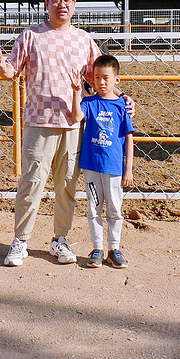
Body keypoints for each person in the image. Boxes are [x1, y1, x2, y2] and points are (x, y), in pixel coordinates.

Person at [0, 0, 123, 267]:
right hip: (39, 121)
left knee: (66, 184)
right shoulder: (31, 36)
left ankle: (59, 239)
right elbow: (12, 69)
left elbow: (101, 78)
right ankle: (20, 240)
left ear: (74, 5)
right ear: (47, 3)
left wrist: (123, 99)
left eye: (68, 0)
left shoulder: (84, 40)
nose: (62, 4)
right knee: (32, 181)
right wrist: (2, 69)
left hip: (73, 125)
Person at [71, 53, 134, 269]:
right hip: (92, 165)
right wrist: (74, 91)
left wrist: (129, 169)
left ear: (116, 80)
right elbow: (77, 116)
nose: (101, 82)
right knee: (93, 207)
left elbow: (129, 138)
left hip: (114, 167)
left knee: (115, 209)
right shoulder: (89, 102)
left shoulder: (121, 107)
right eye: (97, 78)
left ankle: (114, 248)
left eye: (106, 78)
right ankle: (97, 248)